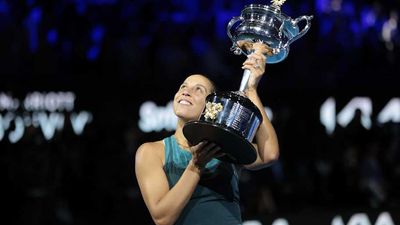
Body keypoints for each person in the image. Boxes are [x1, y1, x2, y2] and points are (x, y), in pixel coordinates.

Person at [135, 42, 279, 225]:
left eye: (198, 90)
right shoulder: (151, 152)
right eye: (183, 87)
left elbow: (270, 154)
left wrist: (252, 91)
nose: (186, 92)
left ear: (212, 107)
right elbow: (162, 218)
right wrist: (195, 166)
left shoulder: (224, 144)